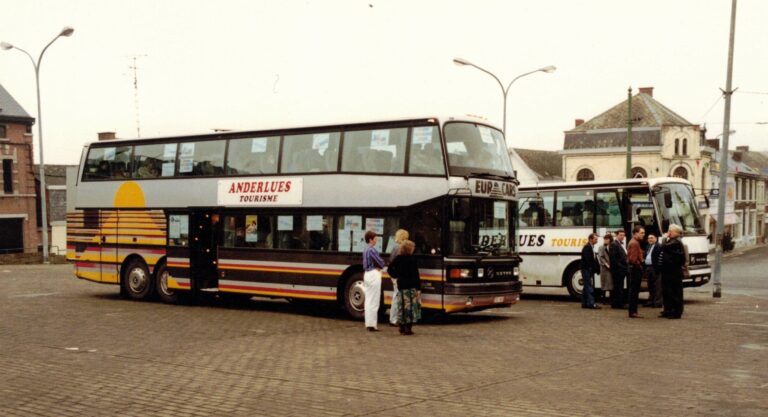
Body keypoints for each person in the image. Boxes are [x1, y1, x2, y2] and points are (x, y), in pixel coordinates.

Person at [387, 239, 422, 335]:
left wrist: (396, 275)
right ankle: (408, 328)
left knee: (401, 306)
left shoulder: (398, 258)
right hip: (410, 286)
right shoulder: (412, 259)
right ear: (410, 249)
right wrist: (418, 288)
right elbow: (416, 275)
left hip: (401, 285)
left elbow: (390, 269)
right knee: (410, 307)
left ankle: (401, 326)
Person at [660, 224, 686, 319]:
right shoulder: (673, 241)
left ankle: (675, 311)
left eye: (671, 231)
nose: (669, 232)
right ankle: (668, 310)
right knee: (667, 291)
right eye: (668, 230)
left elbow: (664, 247)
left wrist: (663, 238)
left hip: (673, 271)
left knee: (674, 292)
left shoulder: (676, 242)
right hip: (668, 270)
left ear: (677, 233)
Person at [362, 230, 385, 331]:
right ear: (370, 239)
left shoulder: (365, 249)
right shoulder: (372, 250)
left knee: (368, 299)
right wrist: (381, 265)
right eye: (375, 239)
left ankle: (368, 323)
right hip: (373, 274)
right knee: (374, 300)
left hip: (367, 274)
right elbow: (381, 262)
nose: (376, 241)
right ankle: (372, 325)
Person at [388, 229, 409, 327]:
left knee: (397, 295)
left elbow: (391, 260)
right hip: (397, 276)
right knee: (396, 296)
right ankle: (393, 319)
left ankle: (395, 318)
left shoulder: (395, 247)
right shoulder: (399, 248)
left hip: (395, 275)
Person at [626, 226, 646, 318]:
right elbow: (633, 259)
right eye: (641, 233)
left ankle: (633, 311)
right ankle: (633, 312)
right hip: (635, 269)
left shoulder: (634, 242)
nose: (643, 235)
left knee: (634, 290)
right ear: (636, 233)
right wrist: (641, 262)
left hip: (634, 268)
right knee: (634, 291)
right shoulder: (635, 243)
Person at [580, 233, 601, 309]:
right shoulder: (587, 247)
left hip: (587, 269)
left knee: (586, 286)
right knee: (589, 286)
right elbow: (589, 260)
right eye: (595, 239)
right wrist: (592, 268)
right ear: (590, 239)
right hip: (586, 270)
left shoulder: (590, 247)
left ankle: (584, 303)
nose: (597, 240)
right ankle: (591, 303)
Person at [608, 229, 628, 310]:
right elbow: (614, 259)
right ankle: (618, 304)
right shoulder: (614, 244)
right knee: (618, 287)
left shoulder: (619, 244)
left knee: (619, 286)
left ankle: (617, 303)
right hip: (617, 270)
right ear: (616, 235)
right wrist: (623, 267)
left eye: (623, 235)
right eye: (620, 235)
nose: (622, 237)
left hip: (620, 269)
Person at [643, 234, 663, 308]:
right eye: (648, 238)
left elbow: (660, 258)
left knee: (658, 286)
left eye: (651, 238)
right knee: (650, 285)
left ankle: (658, 302)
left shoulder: (659, 246)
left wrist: (658, 268)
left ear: (656, 238)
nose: (650, 239)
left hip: (655, 268)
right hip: (648, 268)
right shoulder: (648, 246)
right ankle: (651, 301)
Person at [597, 234, 614, 304]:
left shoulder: (612, 246)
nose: (605, 240)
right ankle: (603, 299)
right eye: (605, 239)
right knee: (604, 284)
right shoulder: (601, 247)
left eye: (607, 239)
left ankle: (611, 299)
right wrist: (607, 265)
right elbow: (601, 257)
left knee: (611, 283)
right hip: (604, 268)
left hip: (611, 267)